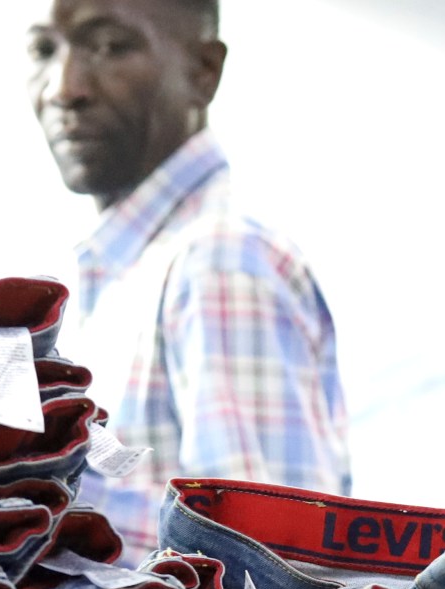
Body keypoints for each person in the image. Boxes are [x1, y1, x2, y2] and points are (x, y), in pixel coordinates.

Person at [29, 0, 351, 551]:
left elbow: (266, 572)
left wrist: (40, 507)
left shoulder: (220, 260)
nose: (64, 87)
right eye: (44, 50)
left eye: (109, 47)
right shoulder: (129, 273)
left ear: (203, 72)